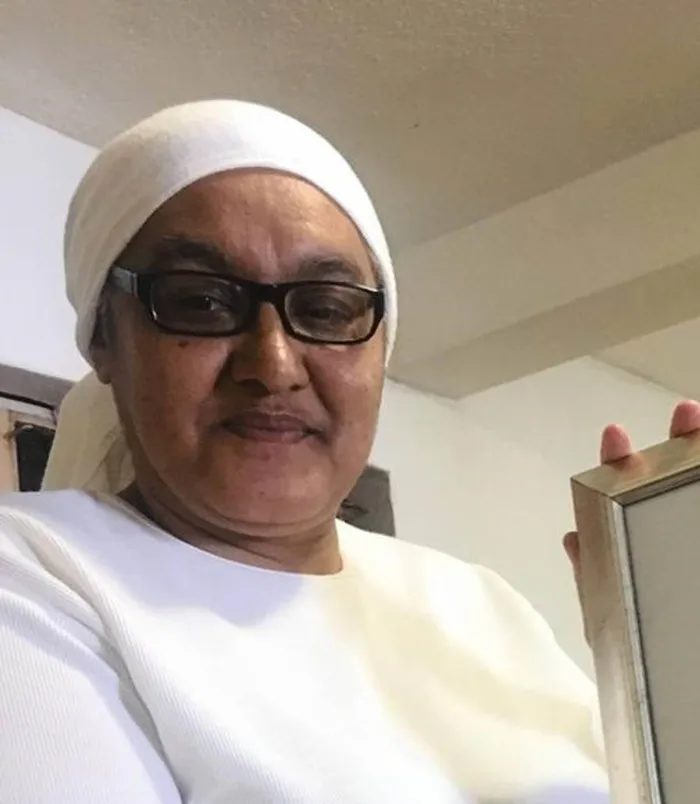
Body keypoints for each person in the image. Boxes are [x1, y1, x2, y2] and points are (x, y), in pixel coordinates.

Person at [3, 98, 687, 804]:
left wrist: (668, 670)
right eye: (201, 301)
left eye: (326, 308)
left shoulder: (478, 602)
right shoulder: (37, 577)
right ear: (104, 338)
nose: (273, 365)